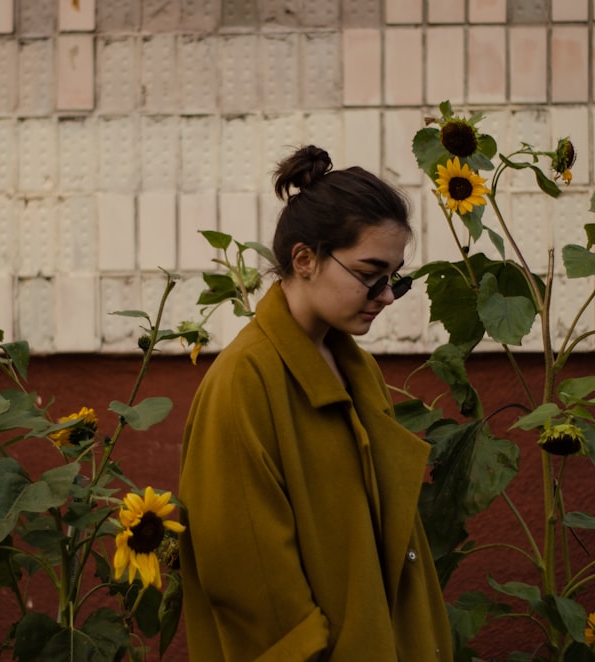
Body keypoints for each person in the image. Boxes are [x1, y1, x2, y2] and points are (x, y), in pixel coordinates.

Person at [178, 145, 452, 661]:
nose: (387, 295)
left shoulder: (356, 369)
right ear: (305, 259)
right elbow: (246, 573)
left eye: (395, 277)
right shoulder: (244, 381)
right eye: (371, 273)